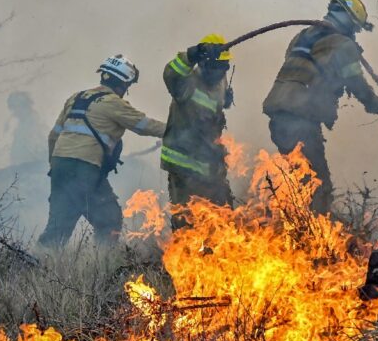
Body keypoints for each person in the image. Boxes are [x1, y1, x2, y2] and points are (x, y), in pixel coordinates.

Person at [262, 0, 378, 213]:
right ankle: (314, 228)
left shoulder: (302, 36)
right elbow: (358, 86)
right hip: (301, 120)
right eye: (355, 28)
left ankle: (297, 221)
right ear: (348, 20)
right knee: (319, 187)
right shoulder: (343, 45)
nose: (354, 34)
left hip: (279, 118)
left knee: (305, 181)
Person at [39, 55, 166, 247]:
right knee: (109, 219)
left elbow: (53, 136)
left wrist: (56, 165)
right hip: (84, 168)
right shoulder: (113, 102)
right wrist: (178, 131)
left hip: (59, 166)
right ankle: (104, 260)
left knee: (58, 226)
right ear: (123, 84)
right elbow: (144, 125)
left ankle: (39, 259)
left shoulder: (75, 98)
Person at [161, 34, 235, 228]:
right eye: (215, 67)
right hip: (183, 163)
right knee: (188, 219)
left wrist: (226, 102)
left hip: (208, 164)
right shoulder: (187, 83)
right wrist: (191, 55)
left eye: (223, 67)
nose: (219, 72)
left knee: (222, 214)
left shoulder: (220, 81)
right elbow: (170, 74)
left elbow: (213, 110)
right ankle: (183, 246)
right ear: (203, 64)